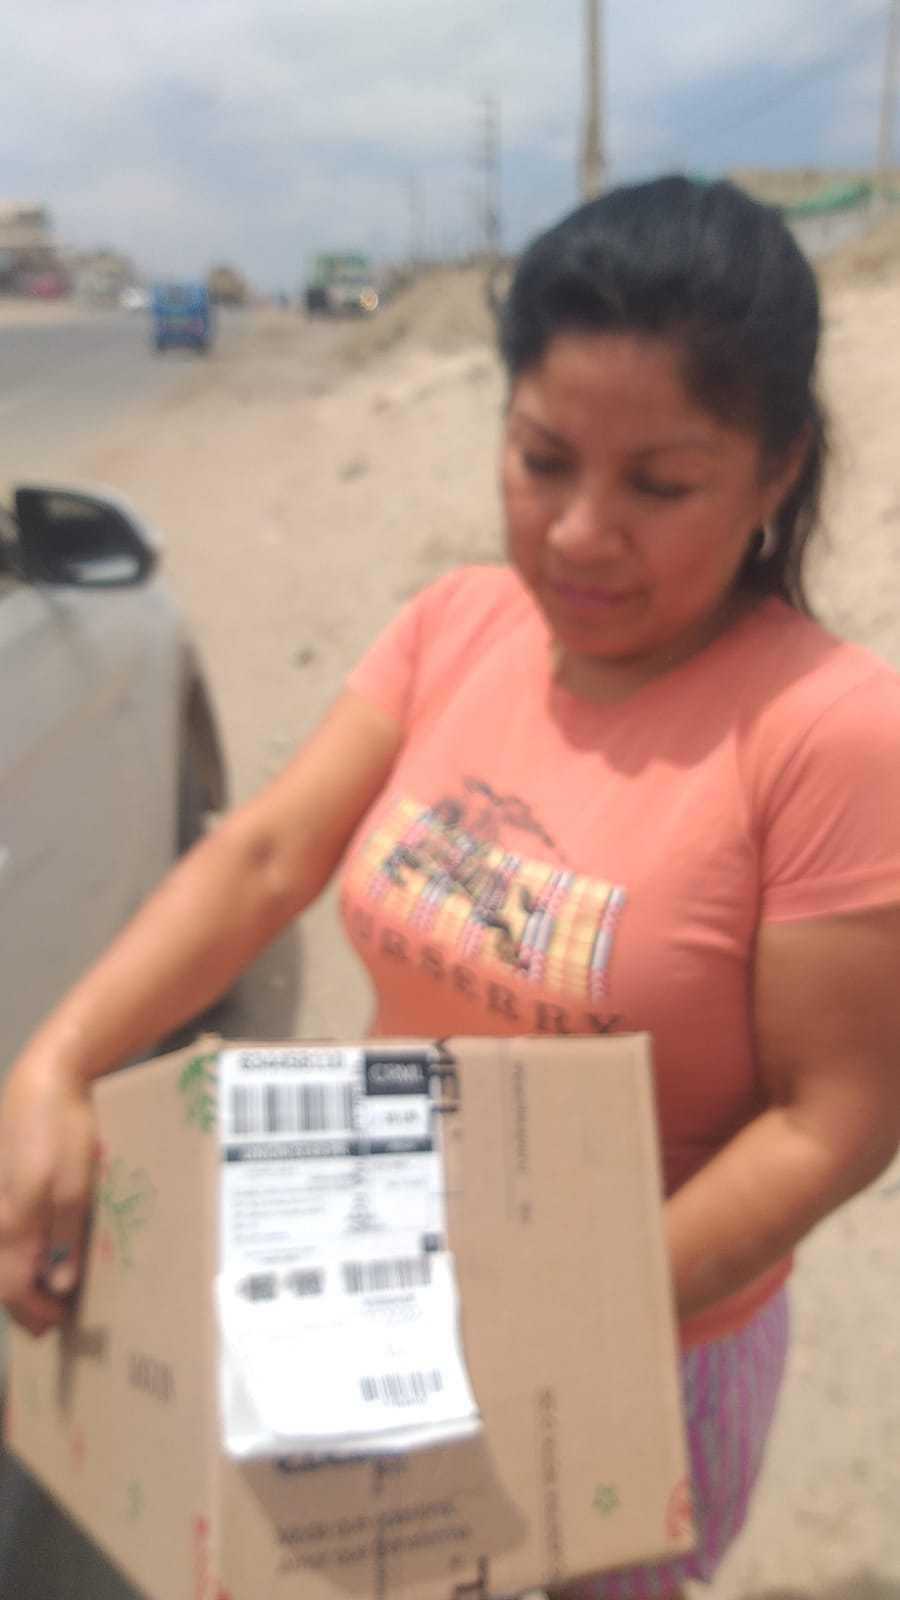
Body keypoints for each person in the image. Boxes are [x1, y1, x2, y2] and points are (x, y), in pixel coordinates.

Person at [2, 175, 899, 1598]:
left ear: (777, 472)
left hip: (634, 1353)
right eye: (544, 460)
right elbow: (262, 856)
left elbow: (835, 1120)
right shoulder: (458, 624)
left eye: (660, 486)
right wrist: (54, 1065)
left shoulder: (828, 731)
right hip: (376, 1297)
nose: (580, 533)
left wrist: (543, 1324)